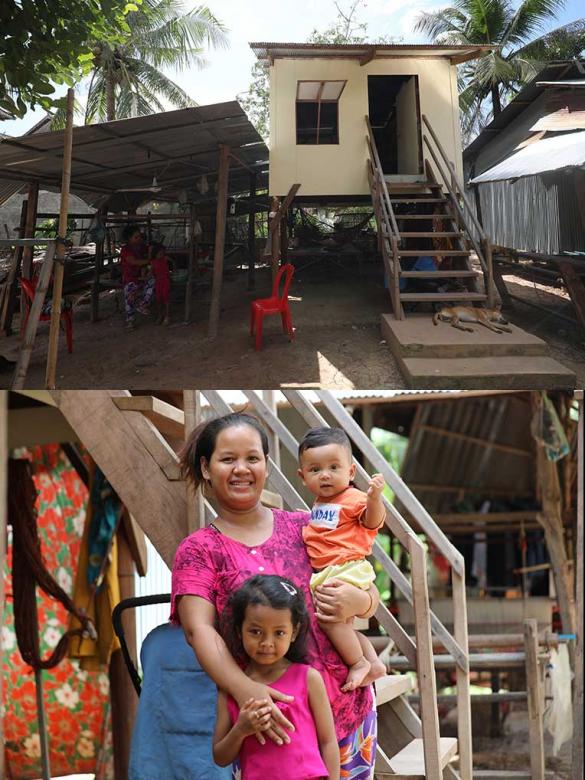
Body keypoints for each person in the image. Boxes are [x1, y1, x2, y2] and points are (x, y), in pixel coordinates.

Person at [171, 413, 380, 780]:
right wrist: (247, 690)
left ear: (266, 466)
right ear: (206, 468)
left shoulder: (306, 525)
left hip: (347, 714)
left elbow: (363, 582)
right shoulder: (199, 550)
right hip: (269, 729)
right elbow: (197, 631)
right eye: (227, 459)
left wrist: (360, 602)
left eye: (252, 458)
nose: (241, 469)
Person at [213, 574, 340, 779]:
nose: (267, 642)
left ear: (294, 632)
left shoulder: (308, 678)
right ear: (239, 630)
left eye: (279, 632)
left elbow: (328, 742)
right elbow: (219, 756)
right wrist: (241, 730)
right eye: (255, 631)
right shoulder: (230, 689)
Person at [298, 427, 387, 691]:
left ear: (350, 472)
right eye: (315, 470)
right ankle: (374, 662)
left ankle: (359, 662)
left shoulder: (354, 498)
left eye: (334, 467)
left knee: (329, 620)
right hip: (332, 568)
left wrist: (374, 499)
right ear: (303, 477)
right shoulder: (320, 503)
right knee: (343, 626)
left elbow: (373, 522)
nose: (325, 475)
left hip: (345, 567)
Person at [120, 225, 155, 330]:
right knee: (130, 295)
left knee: (154, 282)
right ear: (129, 239)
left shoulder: (142, 246)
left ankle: (143, 304)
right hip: (130, 278)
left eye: (139, 236)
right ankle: (130, 321)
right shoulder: (125, 250)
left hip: (142, 276)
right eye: (136, 237)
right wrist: (150, 261)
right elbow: (133, 262)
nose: (139, 239)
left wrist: (152, 249)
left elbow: (151, 250)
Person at [149, 242, 172, 325]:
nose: (161, 255)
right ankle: (160, 316)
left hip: (165, 281)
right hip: (158, 282)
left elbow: (172, 261)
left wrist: (174, 270)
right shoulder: (153, 262)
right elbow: (151, 272)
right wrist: (146, 277)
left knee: (166, 299)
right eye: (160, 253)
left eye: (163, 253)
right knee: (159, 300)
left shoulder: (165, 259)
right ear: (155, 254)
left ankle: (167, 316)